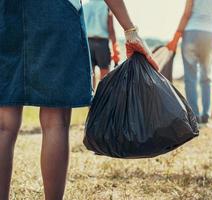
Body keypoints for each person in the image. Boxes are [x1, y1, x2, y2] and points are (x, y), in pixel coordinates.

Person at [0, 0, 157, 199]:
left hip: (5, 13)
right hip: (57, 12)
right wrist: (130, 30)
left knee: (4, 124)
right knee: (55, 122)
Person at [167, 0, 212, 124]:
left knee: (190, 78)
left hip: (191, 32)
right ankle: (205, 117)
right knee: (206, 78)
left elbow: (187, 14)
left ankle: (194, 116)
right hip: (210, 35)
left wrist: (175, 39)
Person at [83, 0, 120, 89]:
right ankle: (103, 98)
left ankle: (91, 98)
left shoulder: (85, 6)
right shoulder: (106, 5)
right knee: (104, 74)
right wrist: (116, 51)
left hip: (88, 43)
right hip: (102, 43)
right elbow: (111, 29)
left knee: (90, 74)